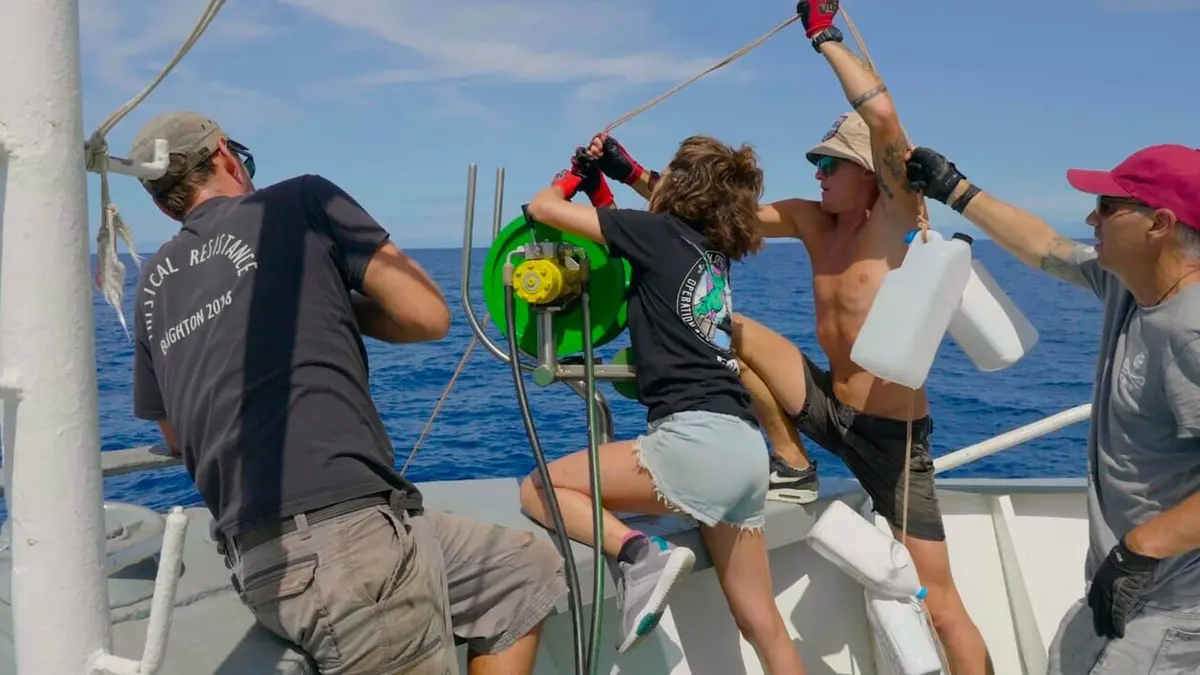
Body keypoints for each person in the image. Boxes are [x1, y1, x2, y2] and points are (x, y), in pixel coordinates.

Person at [584, 3, 993, 673]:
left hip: (894, 440)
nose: (816, 171)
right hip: (829, 405)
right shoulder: (809, 219)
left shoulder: (896, 215)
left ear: (871, 175)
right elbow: (704, 213)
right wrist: (629, 172)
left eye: (830, 163)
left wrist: (824, 34)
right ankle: (792, 464)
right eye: (815, 161)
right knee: (727, 328)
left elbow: (885, 120)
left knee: (938, 600)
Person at [127, 110, 566, 675]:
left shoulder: (151, 281)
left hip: (257, 556)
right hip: (349, 546)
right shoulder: (298, 201)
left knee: (521, 572)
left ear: (165, 204)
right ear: (227, 158)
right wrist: (328, 294)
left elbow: (173, 432)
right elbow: (427, 315)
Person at [905, 142, 1200, 674]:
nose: (1092, 217)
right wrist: (955, 189)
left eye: (1108, 207)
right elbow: (1047, 247)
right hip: (1120, 585)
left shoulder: (1191, 331)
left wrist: (1140, 548)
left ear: (1158, 223)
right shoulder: (1128, 284)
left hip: (1175, 605)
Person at [518, 140, 808, 673]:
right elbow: (621, 233)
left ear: (680, 185)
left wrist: (568, 179)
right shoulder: (707, 254)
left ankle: (638, 557)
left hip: (693, 442)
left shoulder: (655, 234)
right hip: (744, 451)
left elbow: (541, 209)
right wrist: (600, 184)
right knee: (763, 622)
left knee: (539, 488)